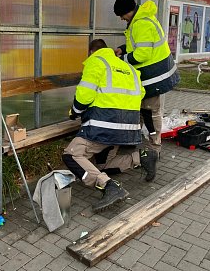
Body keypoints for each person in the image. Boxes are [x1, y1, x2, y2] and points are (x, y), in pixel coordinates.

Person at [62, 39, 157, 212]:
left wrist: (74, 112)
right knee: (101, 166)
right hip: (128, 129)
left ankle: (108, 186)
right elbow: (140, 93)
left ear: (91, 52)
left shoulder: (96, 62)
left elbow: (84, 97)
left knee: (71, 154)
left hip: (103, 126)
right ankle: (141, 157)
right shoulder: (130, 69)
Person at [113, 0, 180, 157]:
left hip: (154, 76)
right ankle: (134, 142)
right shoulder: (138, 21)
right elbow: (137, 45)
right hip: (151, 76)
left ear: (128, 11)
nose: (122, 19)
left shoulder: (141, 24)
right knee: (142, 110)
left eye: (122, 15)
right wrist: (123, 48)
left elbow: (142, 54)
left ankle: (154, 148)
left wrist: (122, 59)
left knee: (151, 112)